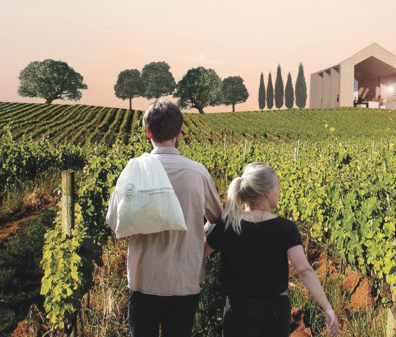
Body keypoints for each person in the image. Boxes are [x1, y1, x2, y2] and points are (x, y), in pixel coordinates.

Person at [106, 99, 223, 337]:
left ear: (148, 132)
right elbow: (220, 222)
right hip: (184, 282)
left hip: (143, 281)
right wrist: (199, 248)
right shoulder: (197, 173)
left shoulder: (134, 171)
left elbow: (114, 221)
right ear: (180, 132)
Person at [205, 162, 339, 337]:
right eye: (278, 187)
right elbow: (304, 270)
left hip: (238, 312)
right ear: (267, 193)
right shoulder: (285, 228)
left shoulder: (228, 223)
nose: (279, 192)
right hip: (275, 313)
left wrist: (207, 227)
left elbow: (198, 253)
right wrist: (327, 308)